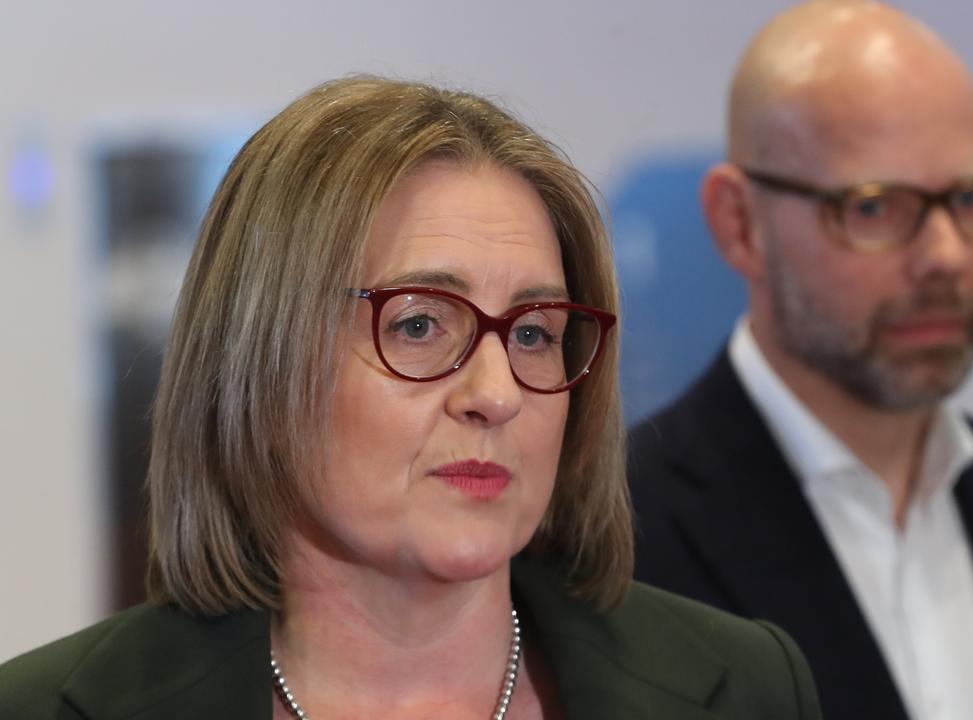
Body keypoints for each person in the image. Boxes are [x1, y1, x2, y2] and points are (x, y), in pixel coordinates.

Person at [0, 76, 822, 720]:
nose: (497, 395)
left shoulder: (746, 687)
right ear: (258, 356)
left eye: (533, 333)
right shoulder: (49, 710)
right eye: (423, 323)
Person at [628, 3, 973, 719]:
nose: (947, 256)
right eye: (874, 207)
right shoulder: (616, 548)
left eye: (972, 198)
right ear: (741, 225)